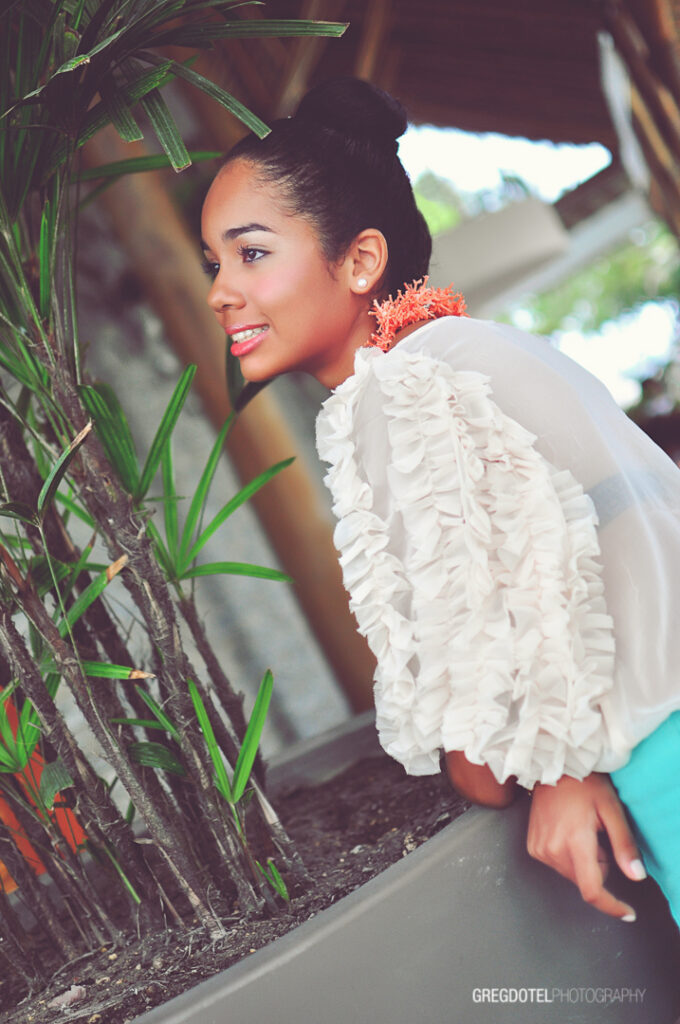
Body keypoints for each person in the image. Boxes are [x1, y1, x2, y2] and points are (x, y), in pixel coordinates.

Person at [200, 76, 680, 928]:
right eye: (214, 264)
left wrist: (558, 773)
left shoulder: (408, 388)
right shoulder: (455, 355)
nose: (219, 291)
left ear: (359, 260)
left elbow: (537, 565)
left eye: (252, 253)